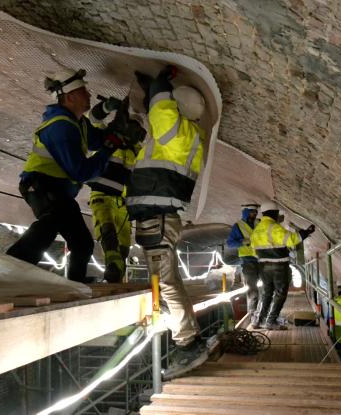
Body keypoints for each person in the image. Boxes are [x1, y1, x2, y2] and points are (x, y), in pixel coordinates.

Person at [6, 68, 144, 283]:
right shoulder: (61, 127)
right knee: (50, 223)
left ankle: (76, 283)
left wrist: (118, 131)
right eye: (84, 92)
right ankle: (10, 269)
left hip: (58, 191)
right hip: (40, 185)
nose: (89, 94)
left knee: (82, 243)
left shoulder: (78, 122)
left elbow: (97, 140)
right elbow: (81, 172)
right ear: (70, 97)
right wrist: (111, 145)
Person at [128, 65, 207, 379]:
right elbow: (159, 116)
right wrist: (153, 93)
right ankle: (184, 336)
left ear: (179, 109)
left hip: (157, 218)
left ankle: (188, 343)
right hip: (158, 217)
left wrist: (159, 85)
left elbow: (161, 115)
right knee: (164, 280)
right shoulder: (186, 138)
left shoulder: (178, 132)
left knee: (166, 282)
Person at [87, 97, 142, 283]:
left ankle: (118, 272)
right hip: (101, 195)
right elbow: (93, 119)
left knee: (125, 244)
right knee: (107, 230)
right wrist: (106, 107)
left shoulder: (137, 150)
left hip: (122, 202)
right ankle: (112, 268)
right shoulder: (109, 135)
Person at [250, 200, 315, 330]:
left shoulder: (257, 230)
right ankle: (271, 321)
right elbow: (291, 240)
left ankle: (259, 320)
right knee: (280, 293)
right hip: (279, 266)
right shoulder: (274, 227)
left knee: (267, 293)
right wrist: (307, 232)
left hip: (263, 267)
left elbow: (253, 249)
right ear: (274, 213)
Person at [226, 202, 262, 330]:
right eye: (252, 212)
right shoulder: (238, 226)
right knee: (252, 290)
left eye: (256, 212)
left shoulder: (260, 223)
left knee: (267, 288)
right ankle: (253, 318)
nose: (255, 214)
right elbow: (230, 243)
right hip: (248, 261)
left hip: (262, 259)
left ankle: (264, 316)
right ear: (246, 212)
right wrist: (243, 242)